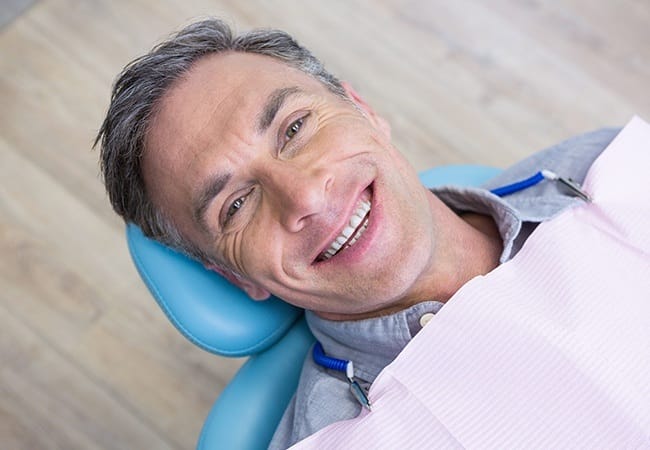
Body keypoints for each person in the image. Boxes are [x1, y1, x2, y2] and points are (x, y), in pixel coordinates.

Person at [95, 18, 619, 449]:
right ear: (233, 277)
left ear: (362, 110)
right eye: (236, 204)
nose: (306, 198)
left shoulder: (612, 169)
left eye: (295, 129)